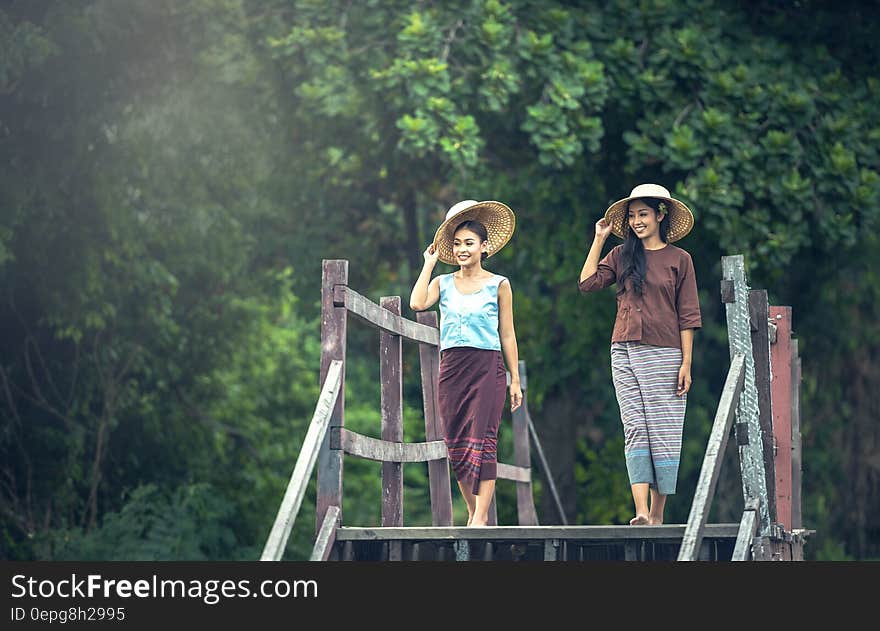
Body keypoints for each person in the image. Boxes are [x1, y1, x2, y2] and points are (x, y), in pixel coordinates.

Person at [578, 183, 701, 526]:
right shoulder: (621, 255)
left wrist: (686, 363)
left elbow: (688, 314)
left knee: (663, 429)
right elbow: (587, 283)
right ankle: (642, 512)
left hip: (665, 354)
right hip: (623, 350)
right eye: (632, 216)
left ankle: (659, 513)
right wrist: (600, 238)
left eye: (643, 214)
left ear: (660, 215)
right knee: (634, 427)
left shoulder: (680, 260)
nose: (636, 221)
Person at [409, 199, 522, 527]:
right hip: (452, 368)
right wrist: (429, 264)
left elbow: (509, 335)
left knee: (484, 438)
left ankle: (481, 516)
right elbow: (417, 303)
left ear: (484, 247)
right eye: (457, 244)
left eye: (469, 243)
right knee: (456, 441)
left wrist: (515, 379)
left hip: (487, 366)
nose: (461, 249)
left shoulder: (499, 284)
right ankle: (474, 512)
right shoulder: (442, 283)